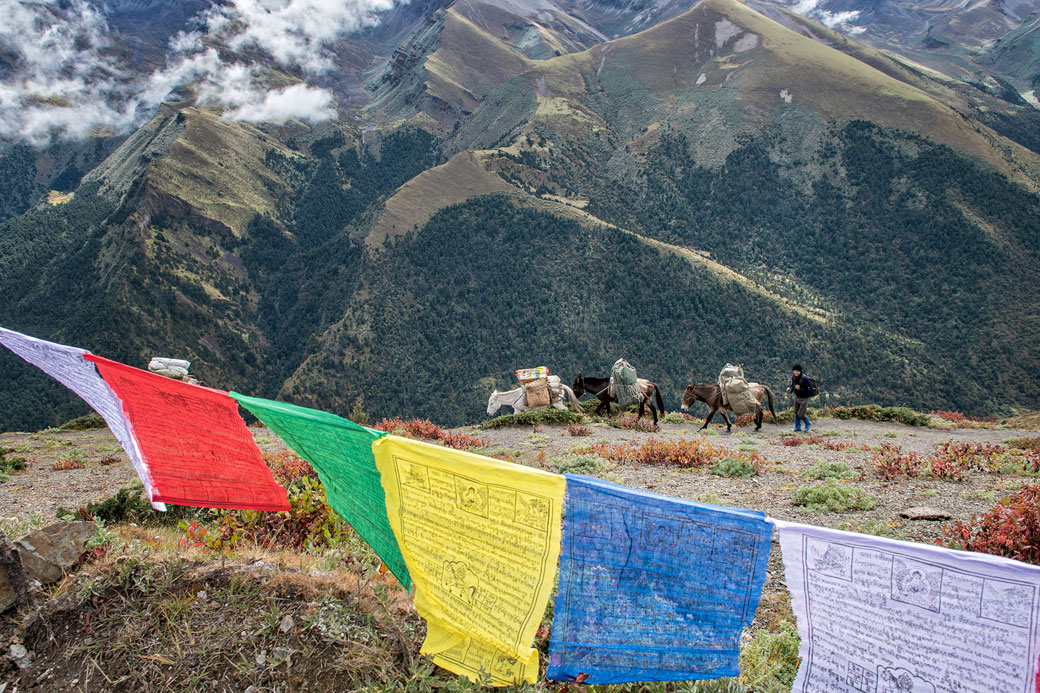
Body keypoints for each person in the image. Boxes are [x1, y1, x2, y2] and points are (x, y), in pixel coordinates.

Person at [787, 363, 812, 432]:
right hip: (797, 397)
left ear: (800, 371)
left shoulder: (805, 378)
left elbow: (810, 390)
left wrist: (800, 389)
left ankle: (808, 423)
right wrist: (791, 389)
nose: (796, 372)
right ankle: (797, 427)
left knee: (801, 414)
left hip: (804, 399)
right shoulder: (794, 377)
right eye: (794, 371)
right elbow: (793, 385)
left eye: (797, 371)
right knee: (796, 412)